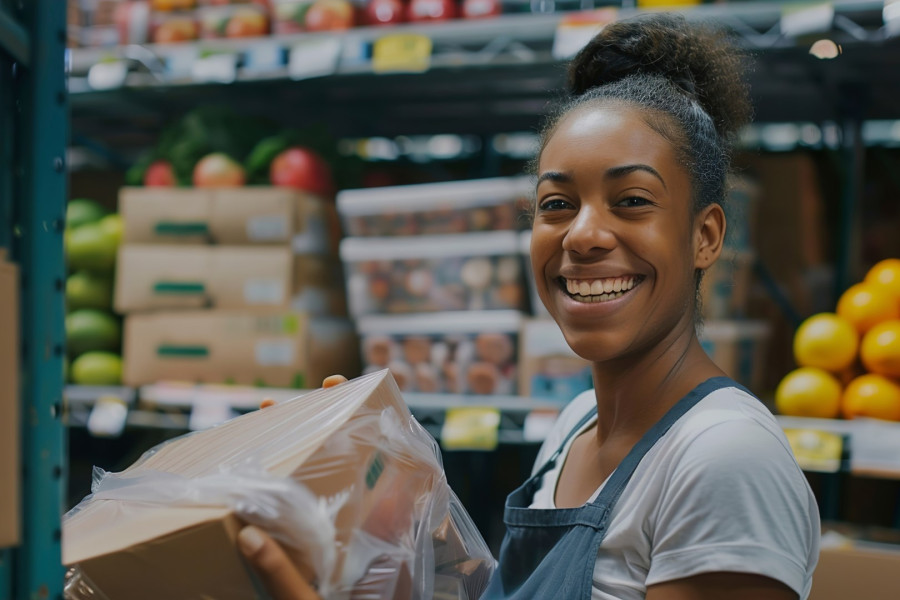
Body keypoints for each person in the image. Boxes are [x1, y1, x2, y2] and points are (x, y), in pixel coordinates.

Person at [238, 13, 820, 600]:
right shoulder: (574, 428)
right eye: (557, 203)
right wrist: (400, 517)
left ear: (706, 236)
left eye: (633, 200)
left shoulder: (723, 458)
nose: (582, 235)